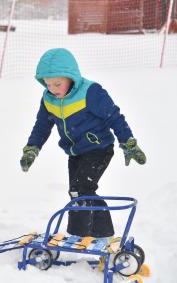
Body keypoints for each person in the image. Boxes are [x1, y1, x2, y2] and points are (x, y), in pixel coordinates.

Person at [20, 48, 146, 238]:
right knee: (77, 192)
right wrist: (32, 148)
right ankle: (90, 233)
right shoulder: (48, 99)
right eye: (47, 84)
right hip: (76, 152)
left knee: (82, 188)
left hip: (99, 148)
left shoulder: (91, 92)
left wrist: (127, 142)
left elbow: (114, 117)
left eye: (57, 83)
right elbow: (42, 126)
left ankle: (91, 234)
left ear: (71, 77)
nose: (53, 89)